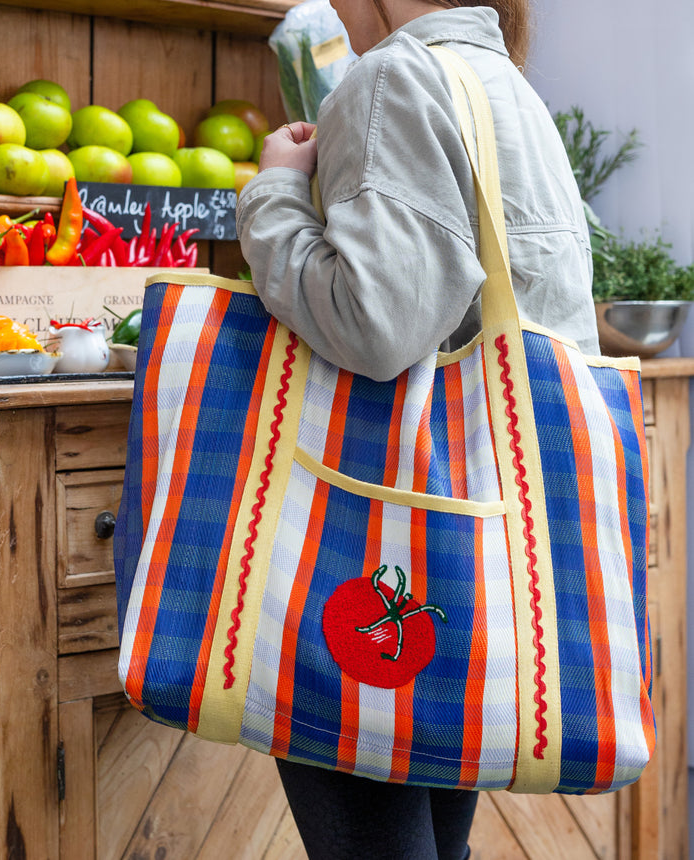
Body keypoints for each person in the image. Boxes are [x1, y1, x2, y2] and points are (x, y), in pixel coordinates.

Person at [236, 1, 599, 858]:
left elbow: (375, 326)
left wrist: (275, 190)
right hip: (474, 549)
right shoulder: (506, 86)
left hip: (373, 546)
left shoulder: (396, 77)